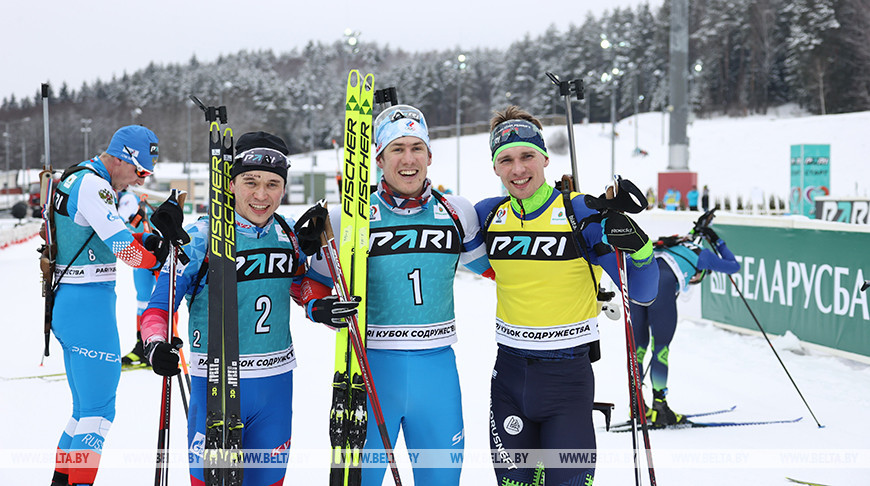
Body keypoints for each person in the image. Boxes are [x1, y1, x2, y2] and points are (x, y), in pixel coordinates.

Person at [140, 131, 357, 486]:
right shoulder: (199, 238)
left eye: (273, 184)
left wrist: (319, 306)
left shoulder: (287, 236)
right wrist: (154, 346)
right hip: (216, 386)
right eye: (251, 182)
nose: (261, 195)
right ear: (231, 183)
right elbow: (158, 308)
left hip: (275, 386)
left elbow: (301, 284)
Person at [305, 104, 491, 485]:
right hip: (370, 369)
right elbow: (305, 282)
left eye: (416, 148)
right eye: (397, 149)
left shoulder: (457, 212)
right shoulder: (348, 220)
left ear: (430, 156)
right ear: (378, 158)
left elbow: (500, 272)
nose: (408, 160)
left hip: (437, 371)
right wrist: (317, 308)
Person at [474, 106, 659, 485]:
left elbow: (643, 292)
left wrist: (640, 250)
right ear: (495, 167)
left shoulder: (580, 214)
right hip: (509, 378)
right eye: (505, 159)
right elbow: (486, 268)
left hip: (568, 382)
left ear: (544, 157)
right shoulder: (488, 215)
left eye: (527, 156)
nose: (518, 169)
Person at [48, 125, 172, 486]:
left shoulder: (79, 176)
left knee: (84, 411)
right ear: (121, 157)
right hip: (88, 307)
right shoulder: (95, 186)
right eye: (140, 171)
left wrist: (148, 238)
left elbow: (107, 234)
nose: (138, 180)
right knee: (99, 414)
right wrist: (156, 257)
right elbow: (126, 253)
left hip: (73, 303)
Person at [630, 219, 740, 426]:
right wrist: (717, 241)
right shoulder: (703, 256)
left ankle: (635, 406)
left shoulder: (675, 242)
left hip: (637, 282)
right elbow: (734, 266)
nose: (691, 280)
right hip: (660, 288)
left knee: (638, 349)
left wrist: (699, 229)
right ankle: (660, 408)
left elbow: (690, 237)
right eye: (695, 279)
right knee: (660, 349)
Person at [116, 189, 156, 366]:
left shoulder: (128, 198)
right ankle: (141, 347)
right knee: (142, 301)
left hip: (155, 253)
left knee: (163, 300)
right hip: (140, 255)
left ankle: (163, 346)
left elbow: (117, 221)